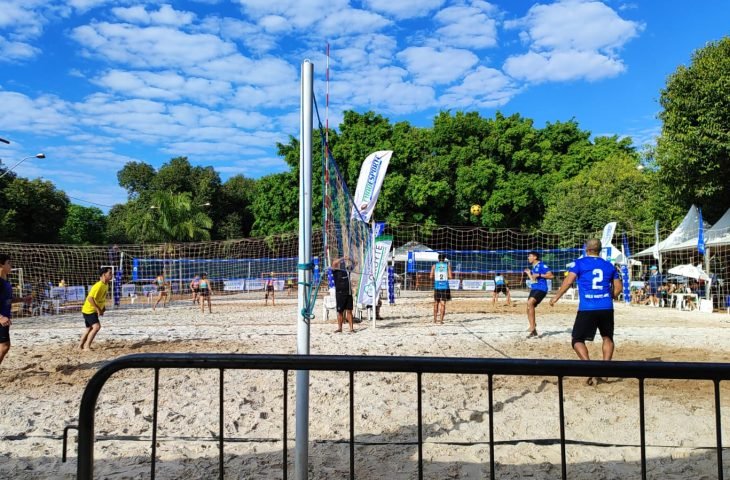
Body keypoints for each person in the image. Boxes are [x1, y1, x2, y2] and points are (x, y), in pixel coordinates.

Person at [550, 239, 622, 384]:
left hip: (587, 308)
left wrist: (556, 297)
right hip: (606, 307)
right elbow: (619, 287)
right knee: (607, 338)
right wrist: (611, 296)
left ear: (586, 250)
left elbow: (568, 281)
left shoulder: (579, 263)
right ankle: (605, 371)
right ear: (600, 250)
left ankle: (589, 368)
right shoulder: (609, 265)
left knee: (577, 340)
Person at [0, 254, 31, 366]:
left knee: (4, 346)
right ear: (1, 265)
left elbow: (8, 299)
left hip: (5, 318)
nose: (11, 265)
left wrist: (23, 299)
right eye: (8, 263)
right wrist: (1, 317)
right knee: (5, 346)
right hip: (2, 319)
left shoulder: (6, 281)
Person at [79, 267, 113, 351]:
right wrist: (98, 309)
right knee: (97, 327)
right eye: (110, 273)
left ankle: (80, 346)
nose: (112, 275)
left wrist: (103, 308)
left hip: (90, 310)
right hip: (89, 310)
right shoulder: (98, 285)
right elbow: (90, 298)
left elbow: (101, 298)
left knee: (89, 328)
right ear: (104, 275)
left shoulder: (106, 285)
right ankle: (87, 347)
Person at [524, 251, 553, 338]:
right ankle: (533, 330)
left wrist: (539, 274)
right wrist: (529, 274)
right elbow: (534, 280)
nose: (528, 258)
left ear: (535, 257)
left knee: (530, 303)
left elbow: (551, 276)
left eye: (530, 256)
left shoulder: (542, 265)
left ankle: (532, 326)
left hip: (541, 289)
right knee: (528, 307)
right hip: (534, 288)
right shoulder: (534, 267)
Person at [332, 257, 356, 333]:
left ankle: (351, 328)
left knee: (349, 311)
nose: (342, 264)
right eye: (341, 263)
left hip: (348, 293)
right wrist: (342, 258)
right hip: (340, 294)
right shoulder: (335, 271)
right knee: (340, 312)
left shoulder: (347, 270)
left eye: (343, 263)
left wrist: (350, 259)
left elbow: (355, 263)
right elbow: (334, 263)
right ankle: (340, 328)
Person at [430, 253, 452, 324]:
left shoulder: (434, 266)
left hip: (437, 286)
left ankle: (435, 320)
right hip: (445, 286)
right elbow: (450, 277)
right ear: (444, 259)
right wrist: (445, 276)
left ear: (438, 259)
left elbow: (430, 276)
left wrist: (436, 276)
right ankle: (441, 321)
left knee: (436, 303)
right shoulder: (447, 266)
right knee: (443, 304)